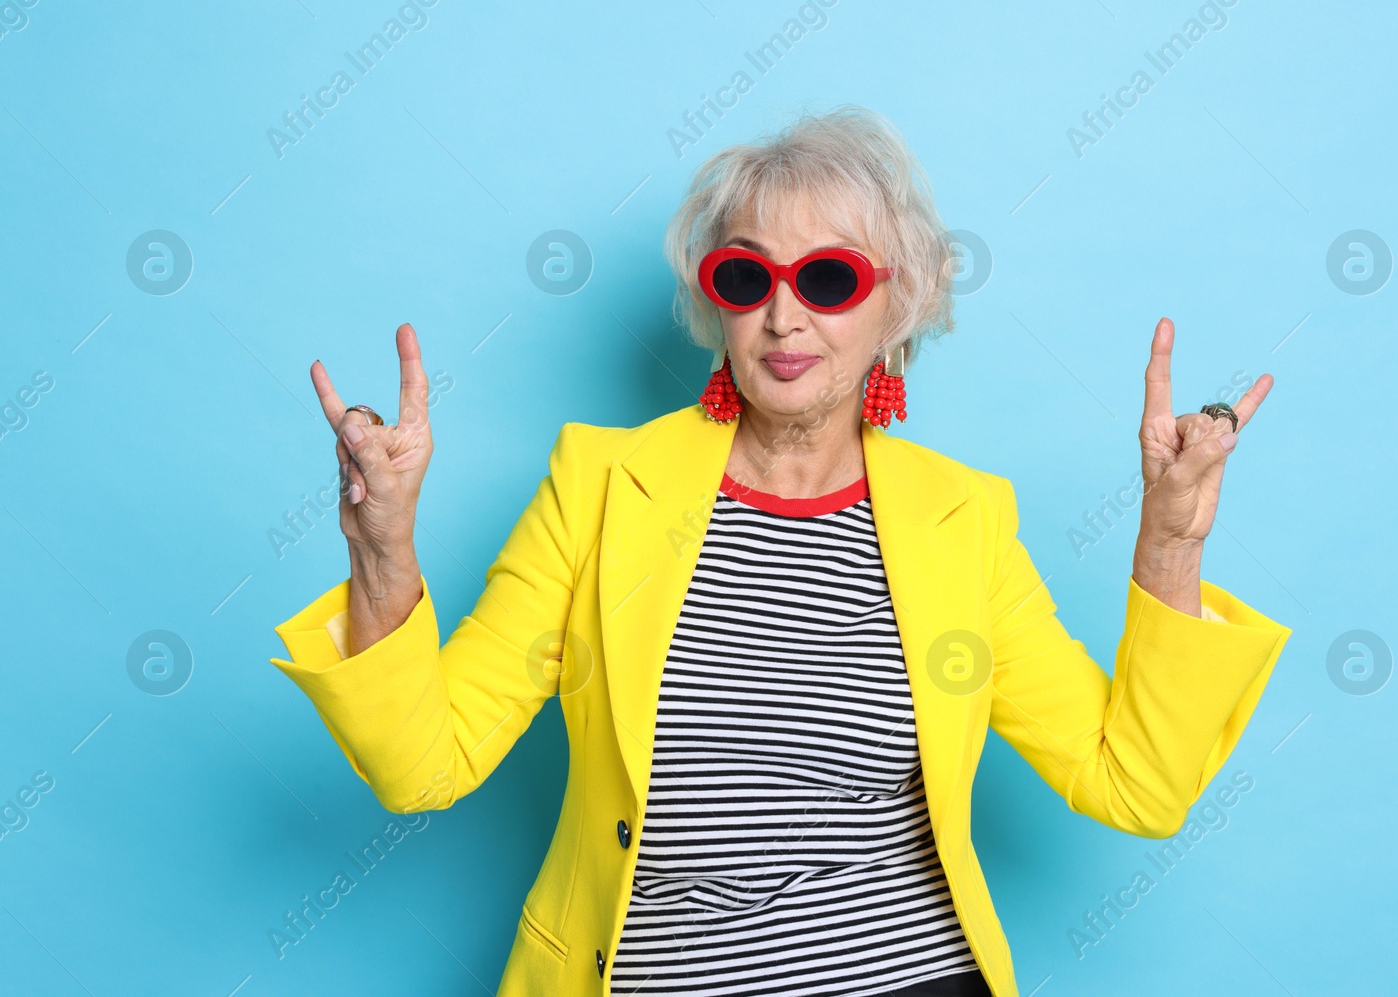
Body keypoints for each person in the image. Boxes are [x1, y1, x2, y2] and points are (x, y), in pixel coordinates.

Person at [270, 106, 1292, 997]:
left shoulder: (960, 518)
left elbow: (1137, 784)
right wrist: (381, 545)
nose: (784, 311)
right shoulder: (600, 485)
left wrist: (1167, 541)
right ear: (715, 300)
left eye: (831, 276)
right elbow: (421, 766)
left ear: (899, 304)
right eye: (746, 273)